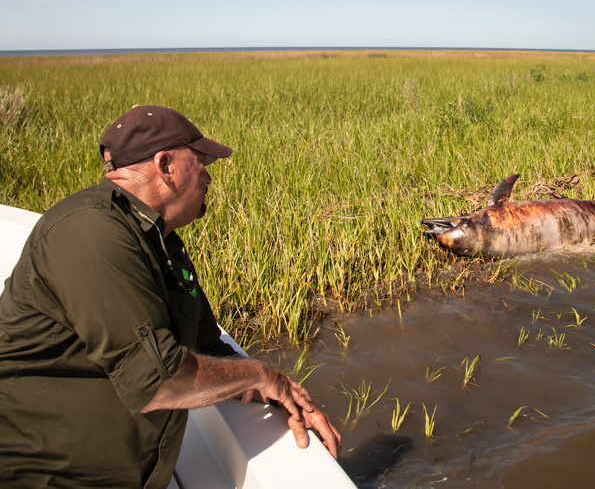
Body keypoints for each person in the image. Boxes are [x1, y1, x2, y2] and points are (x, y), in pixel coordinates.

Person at [0, 105, 340, 488]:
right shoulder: (90, 232)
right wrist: (262, 374)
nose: (209, 176)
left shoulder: (159, 241)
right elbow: (156, 381)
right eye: (201, 161)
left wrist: (288, 397)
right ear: (166, 166)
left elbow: (209, 346)